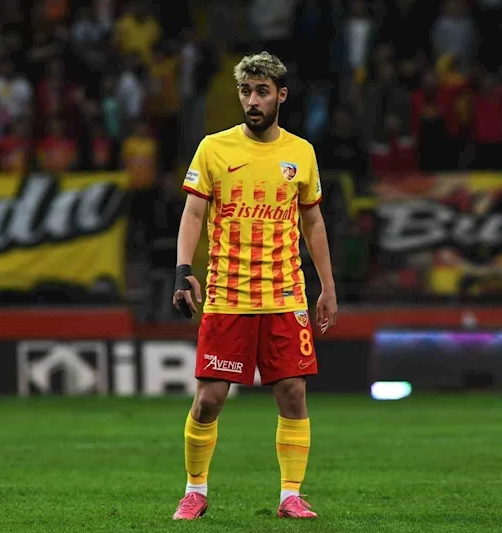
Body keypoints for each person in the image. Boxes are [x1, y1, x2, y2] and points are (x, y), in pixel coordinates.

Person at [171, 51, 338, 520]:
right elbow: (194, 213)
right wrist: (183, 269)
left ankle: (290, 496)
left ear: (281, 95)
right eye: (246, 91)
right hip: (228, 295)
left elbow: (313, 222)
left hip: (285, 294)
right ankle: (195, 491)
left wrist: (327, 287)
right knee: (208, 400)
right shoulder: (213, 148)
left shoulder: (301, 153)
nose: (252, 101)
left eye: (262, 92)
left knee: (293, 394)